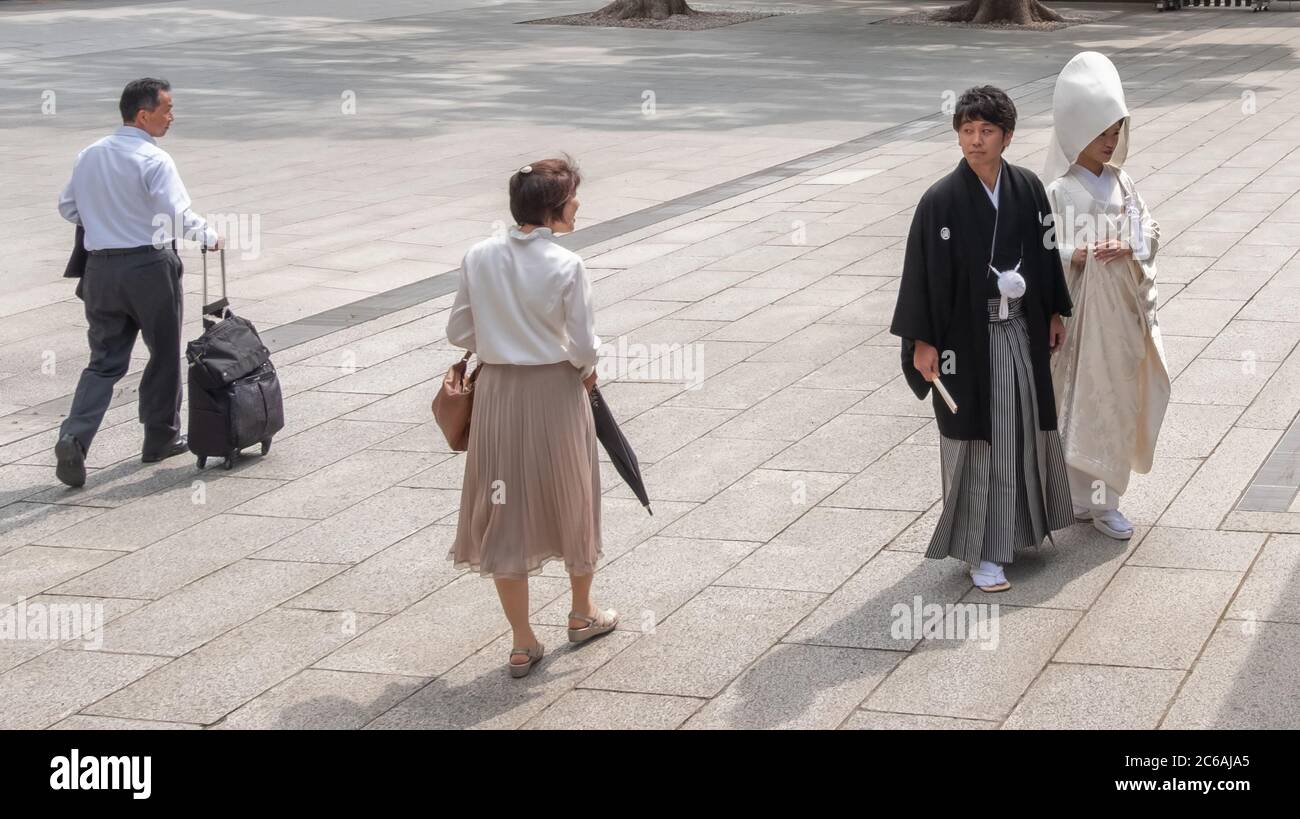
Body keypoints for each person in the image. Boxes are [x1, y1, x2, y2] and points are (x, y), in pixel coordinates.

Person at [890, 86, 1076, 593]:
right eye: (967, 131)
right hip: (966, 341)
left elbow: (1045, 252)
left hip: (1020, 328)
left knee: (1020, 429)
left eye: (986, 131)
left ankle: (1016, 531)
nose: (975, 141)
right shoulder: (941, 202)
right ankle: (981, 550)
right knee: (977, 438)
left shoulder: (1029, 188)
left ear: (1007, 136)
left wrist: (1056, 308)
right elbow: (922, 276)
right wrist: (921, 342)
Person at [445, 156, 617, 678]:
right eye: (572, 197)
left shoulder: (478, 256)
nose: (578, 204)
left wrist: (501, 341)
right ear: (553, 209)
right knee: (573, 492)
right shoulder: (567, 265)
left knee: (504, 505)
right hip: (555, 391)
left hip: (498, 393)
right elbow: (583, 343)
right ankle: (582, 613)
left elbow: (458, 331)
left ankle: (522, 642)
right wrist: (582, 366)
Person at [54, 78, 221, 488]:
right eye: (166, 109)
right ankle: (160, 437)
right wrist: (209, 236)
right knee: (163, 353)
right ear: (143, 115)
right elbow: (178, 214)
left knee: (104, 361)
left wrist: (104, 220)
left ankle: (74, 436)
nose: (172, 116)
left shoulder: (89, 154)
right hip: (148, 266)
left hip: (100, 271)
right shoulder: (154, 159)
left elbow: (68, 207)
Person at [1044, 52, 1169, 540]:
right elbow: (1043, 246)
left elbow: (1149, 228)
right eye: (1102, 134)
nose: (1110, 142)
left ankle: (1108, 501)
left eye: (1116, 132)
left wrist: (1132, 243)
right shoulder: (1058, 190)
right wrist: (1075, 255)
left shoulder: (1123, 182)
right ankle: (1080, 498)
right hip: (1080, 314)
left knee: (1115, 398)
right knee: (1076, 399)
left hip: (1120, 313)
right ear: (1077, 132)